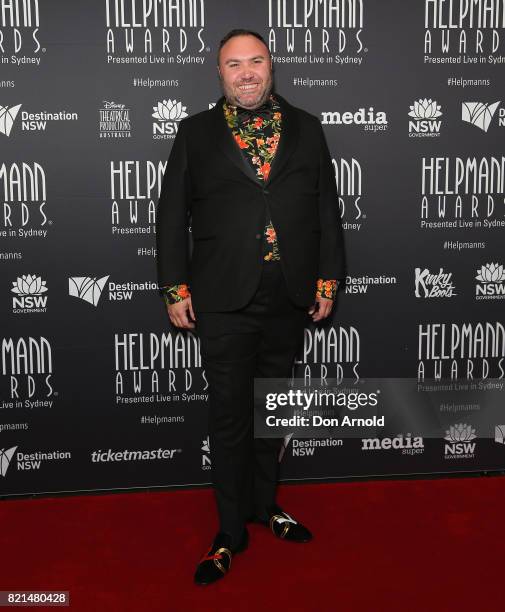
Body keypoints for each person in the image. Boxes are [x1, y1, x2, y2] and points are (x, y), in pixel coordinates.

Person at [156, 28, 346, 585]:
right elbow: (171, 219)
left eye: (255, 61)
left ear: (271, 66)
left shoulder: (308, 129)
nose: (245, 72)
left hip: (289, 295)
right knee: (230, 415)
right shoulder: (194, 133)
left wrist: (328, 282)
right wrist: (174, 288)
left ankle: (266, 505)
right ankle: (229, 530)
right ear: (219, 73)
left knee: (271, 410)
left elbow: (327, 213)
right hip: (222, 298)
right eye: (233, 64)